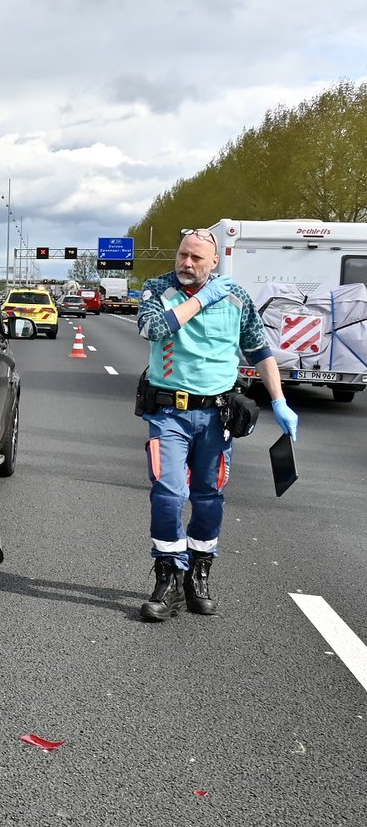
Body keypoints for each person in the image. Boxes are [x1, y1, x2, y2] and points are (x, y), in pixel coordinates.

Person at [134, 227, 299, 622]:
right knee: (169, 494)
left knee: (209, 497)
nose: (186, 264)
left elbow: (260, 351)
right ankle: (168, 578)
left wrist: (279, 401)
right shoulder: (157, 289)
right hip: (169, 412)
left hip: (217, 417)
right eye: (182, 255)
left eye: (195, 258)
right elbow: (151, 329)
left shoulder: (236, 296)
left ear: (214, 263)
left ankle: (198, 573)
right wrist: (202, 299)